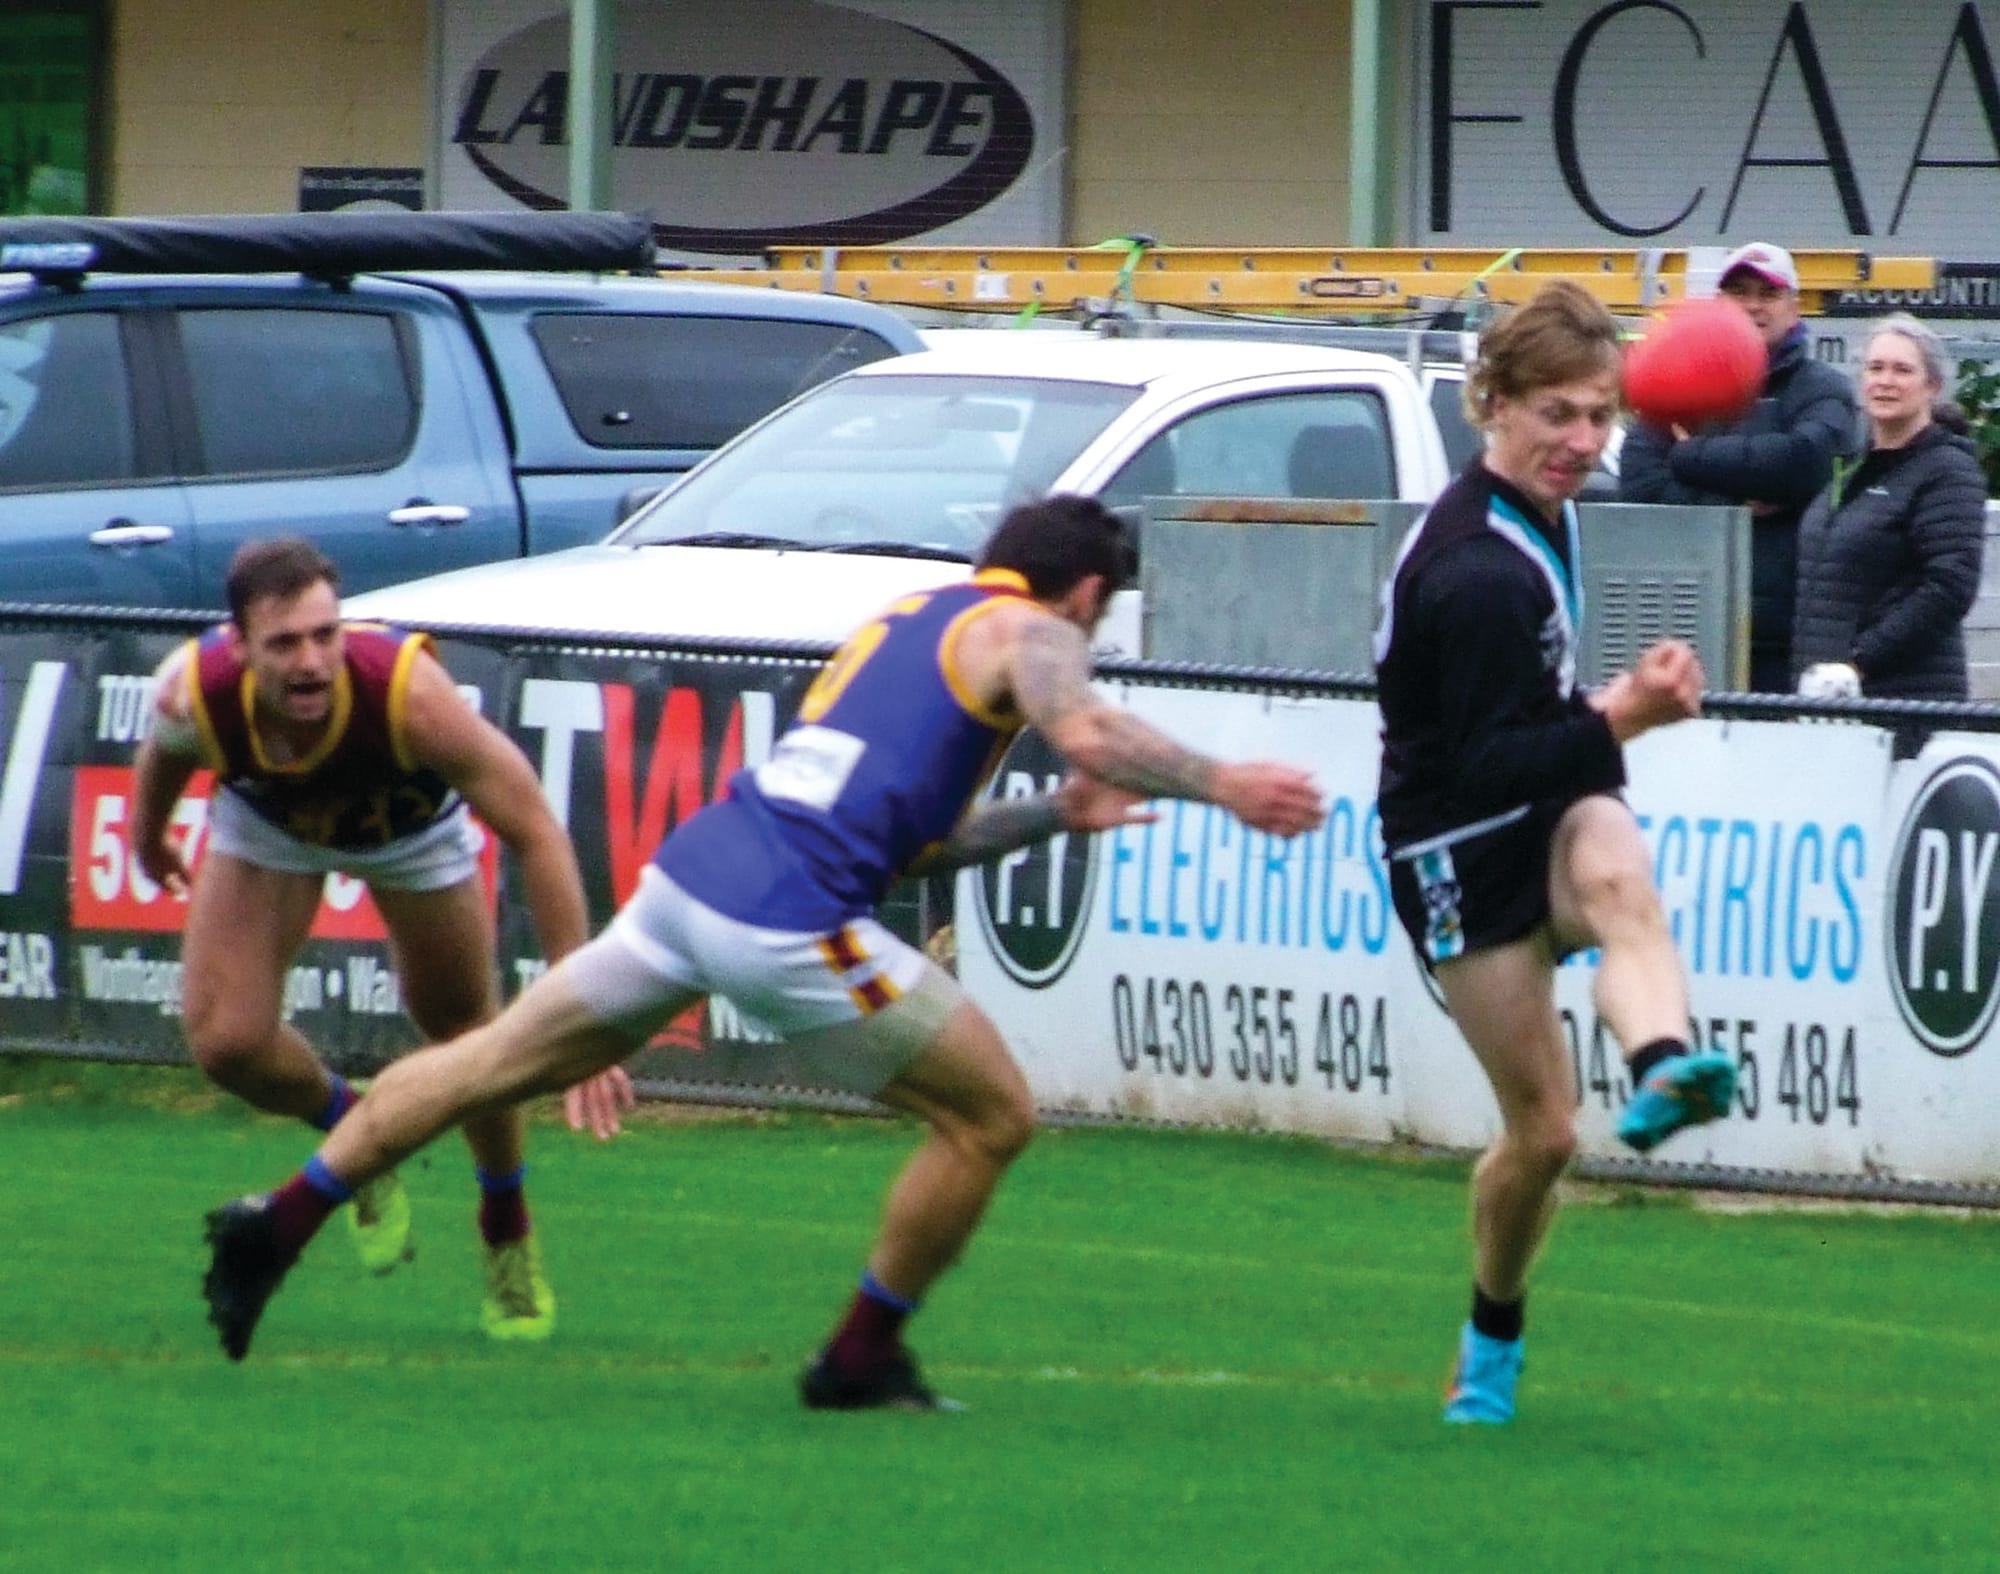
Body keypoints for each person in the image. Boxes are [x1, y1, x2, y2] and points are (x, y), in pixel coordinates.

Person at [199, 496, 1328, 1403]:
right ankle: (857, 1356)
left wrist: (1049, 814)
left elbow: (915, 849)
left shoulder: (914, 616)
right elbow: (1083, 725)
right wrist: (1222, 782)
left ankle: (277, 1219)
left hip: (694, 881)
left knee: (489, 1060)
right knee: (992, 1115)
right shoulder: (1030, 629)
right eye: (1094, 614)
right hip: (782, 916)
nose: (1082, 635)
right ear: (1083, 594)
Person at [1373, 281, 1738, 1425]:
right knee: (1540, 1132)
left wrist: (1608, 713)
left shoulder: (1546, 510)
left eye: (1598, 415)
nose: (1581, 442)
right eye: (1556, 416)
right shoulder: (1472, 569)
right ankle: (1489, 1333)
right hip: (1452, 847)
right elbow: (1482, 766)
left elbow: (1537, 729)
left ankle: (1662, 1063)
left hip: (1535, 800)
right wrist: (1624, 712)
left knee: (1616, 864)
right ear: (1491, 402)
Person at [135, 538, 629, 1341]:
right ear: (238, 646)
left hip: (409, 834)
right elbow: (162, 757)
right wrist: (147, 837)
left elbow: (537, 829)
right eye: (285, 642)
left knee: (465, 1034)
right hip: (271, 826)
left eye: (325, 635)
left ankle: (505, 1220)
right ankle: (360, 1137)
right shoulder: (195, 692)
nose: (311, 662)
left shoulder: (407, 695)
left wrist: (585, 996)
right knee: (225, 1042)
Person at [1619, 241, 1860, 692]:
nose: (1753, 306)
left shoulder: (1823, 389)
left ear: (1794, 306)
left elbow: (1804, 464)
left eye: (1767, 294)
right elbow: (1640, 481)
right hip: (1685, 631)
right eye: (1739, 292)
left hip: (1787, 640)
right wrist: (1736, 499)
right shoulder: (1680, 379)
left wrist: (1689, 458)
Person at [1793, 313, 1987, 704]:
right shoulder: (1852, 471)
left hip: (1902, 703)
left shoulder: (1947, 471)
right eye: (1876, 368)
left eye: (1902, 370)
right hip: (1829, 699)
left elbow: (1948, 587)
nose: (1885, 380)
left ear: (1931, 385)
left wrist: (1860, 663)